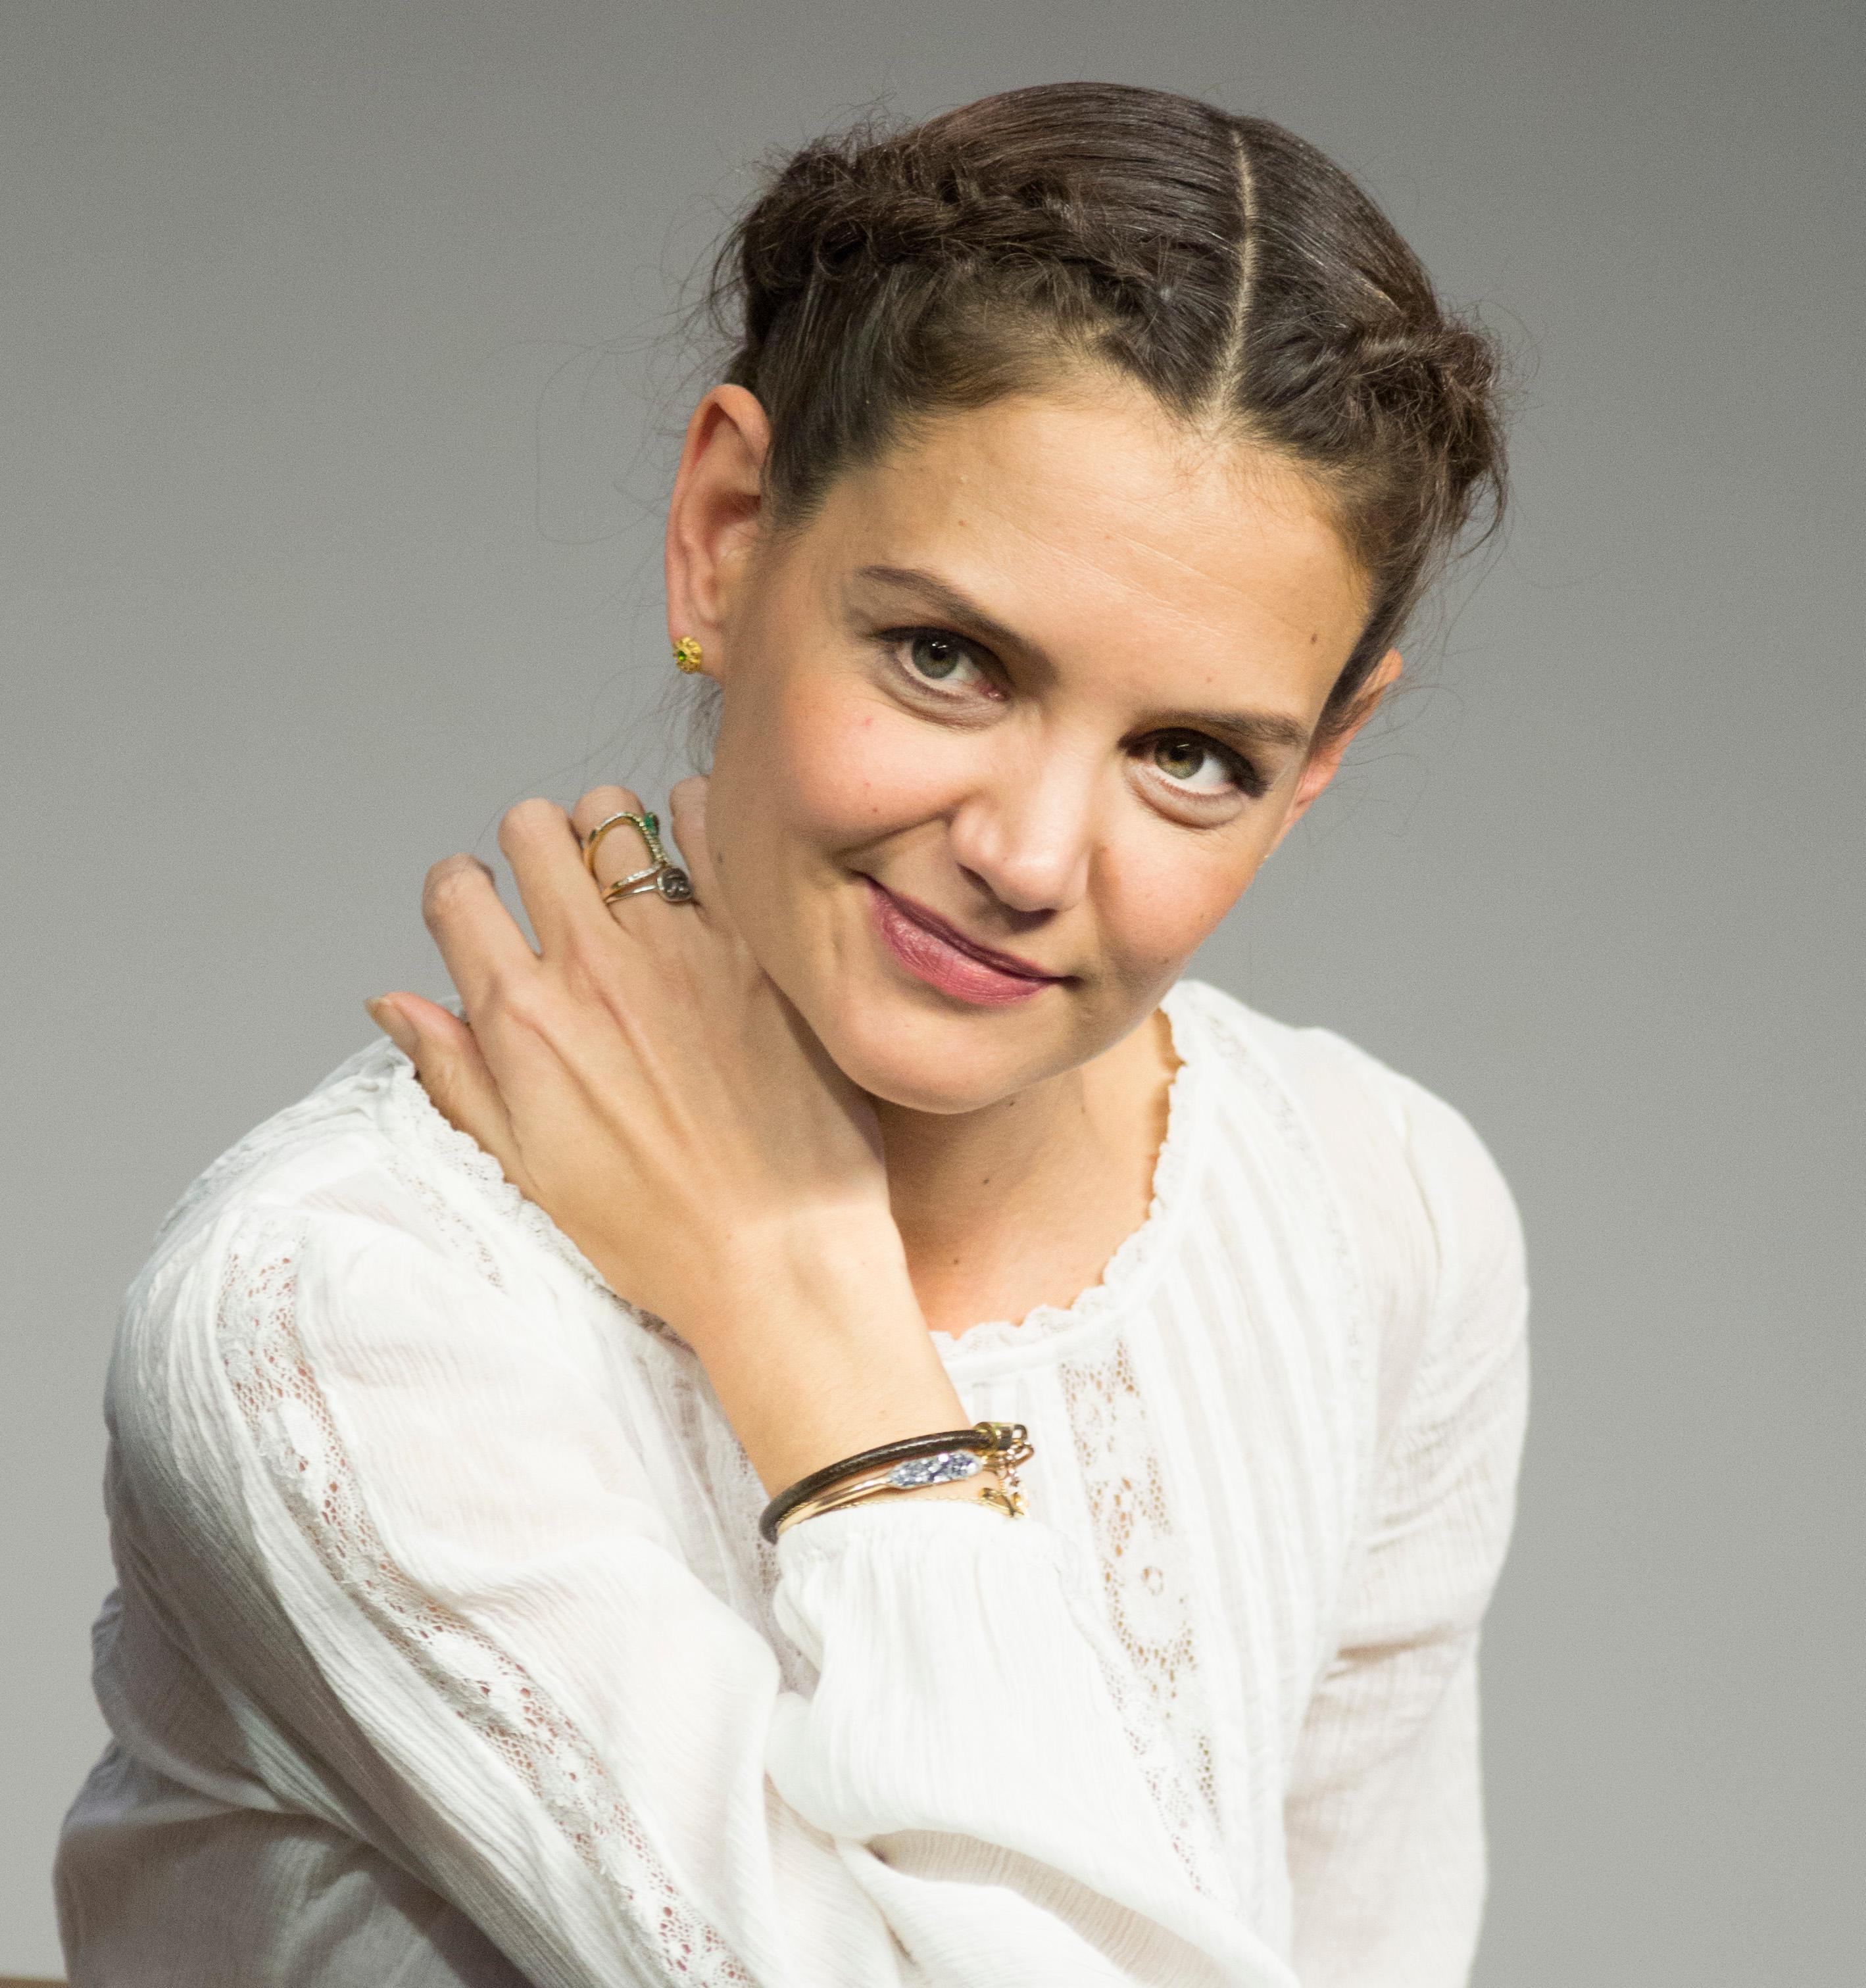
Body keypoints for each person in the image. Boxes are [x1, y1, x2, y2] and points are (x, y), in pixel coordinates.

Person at [55, 81, 1527, 1988]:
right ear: (727, 531)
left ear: (1322, 754)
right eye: (949, 657)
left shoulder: (1376, 1212)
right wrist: (810, 1314)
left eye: (1190, 756)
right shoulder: (341, 1311)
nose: (1024, 854)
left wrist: (793, 1278)